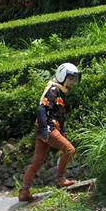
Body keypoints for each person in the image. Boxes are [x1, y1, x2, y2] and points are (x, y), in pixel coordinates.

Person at [19, 63, 81, 202]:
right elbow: (42, 108)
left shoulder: (59, 91)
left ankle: (24, 191)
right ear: (62, 76)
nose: (71, 82)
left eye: (73, 79)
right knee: (70, 150)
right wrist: (43, 129)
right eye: (70, 78)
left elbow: (59, 115)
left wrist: (62, 131)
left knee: (37, 162)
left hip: (46, 129)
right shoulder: (53, 89)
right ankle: (60, 178)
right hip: (48, 128)